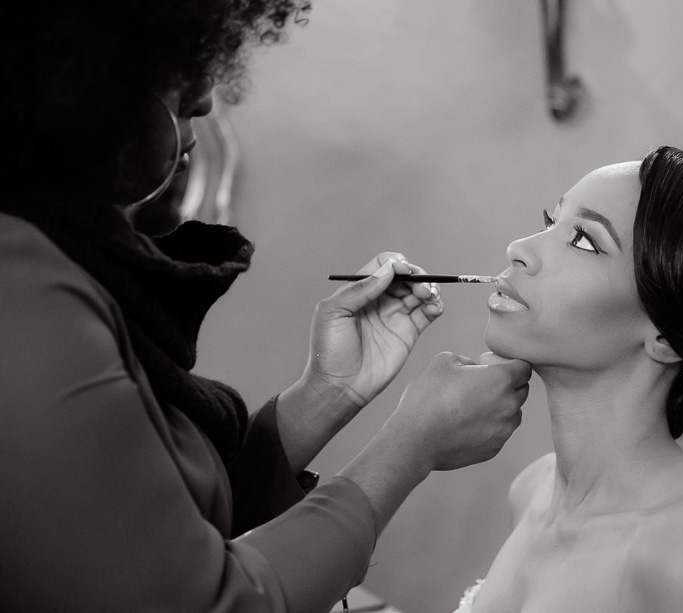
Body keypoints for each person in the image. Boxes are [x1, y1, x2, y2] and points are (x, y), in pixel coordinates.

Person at [0, 2, 532, 612]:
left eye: (578, 235)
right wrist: (411, 446)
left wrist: (327, 394)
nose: (203, 95)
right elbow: (204, 597)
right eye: (178, 64)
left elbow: (159, 521)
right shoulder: (20, 300)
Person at [452, 146, 683, 613]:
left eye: (584, 240)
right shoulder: (531, 489)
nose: (520, 248)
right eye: (551, 220)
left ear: (667, 337)